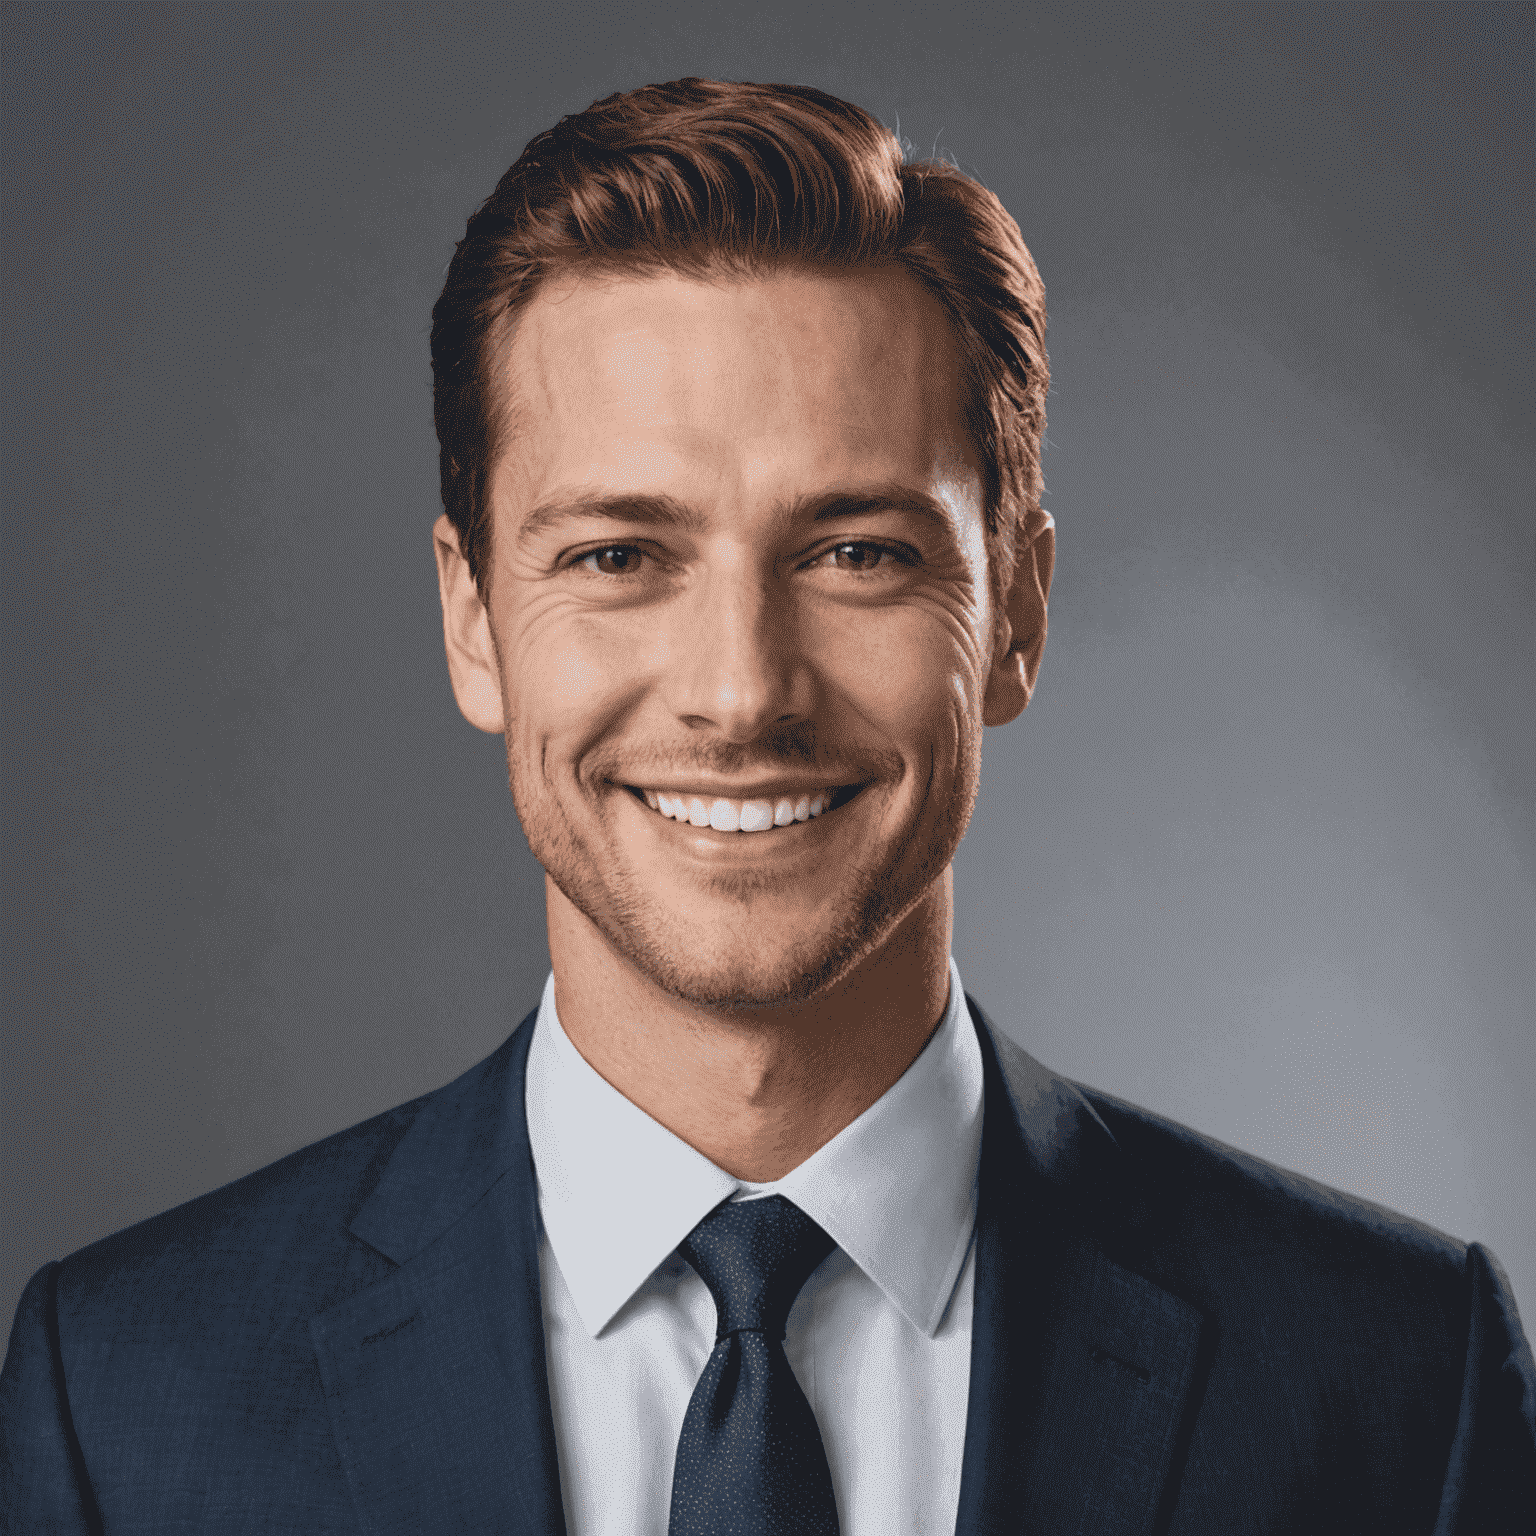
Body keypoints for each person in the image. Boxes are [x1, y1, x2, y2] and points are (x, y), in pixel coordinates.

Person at [2, 77, 1531, 1535]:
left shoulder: (1398, 1383)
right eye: (617, 556)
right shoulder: (128, 1396)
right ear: (472, 620)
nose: (741, 695)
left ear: (1017, 616)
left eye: (857, 551)